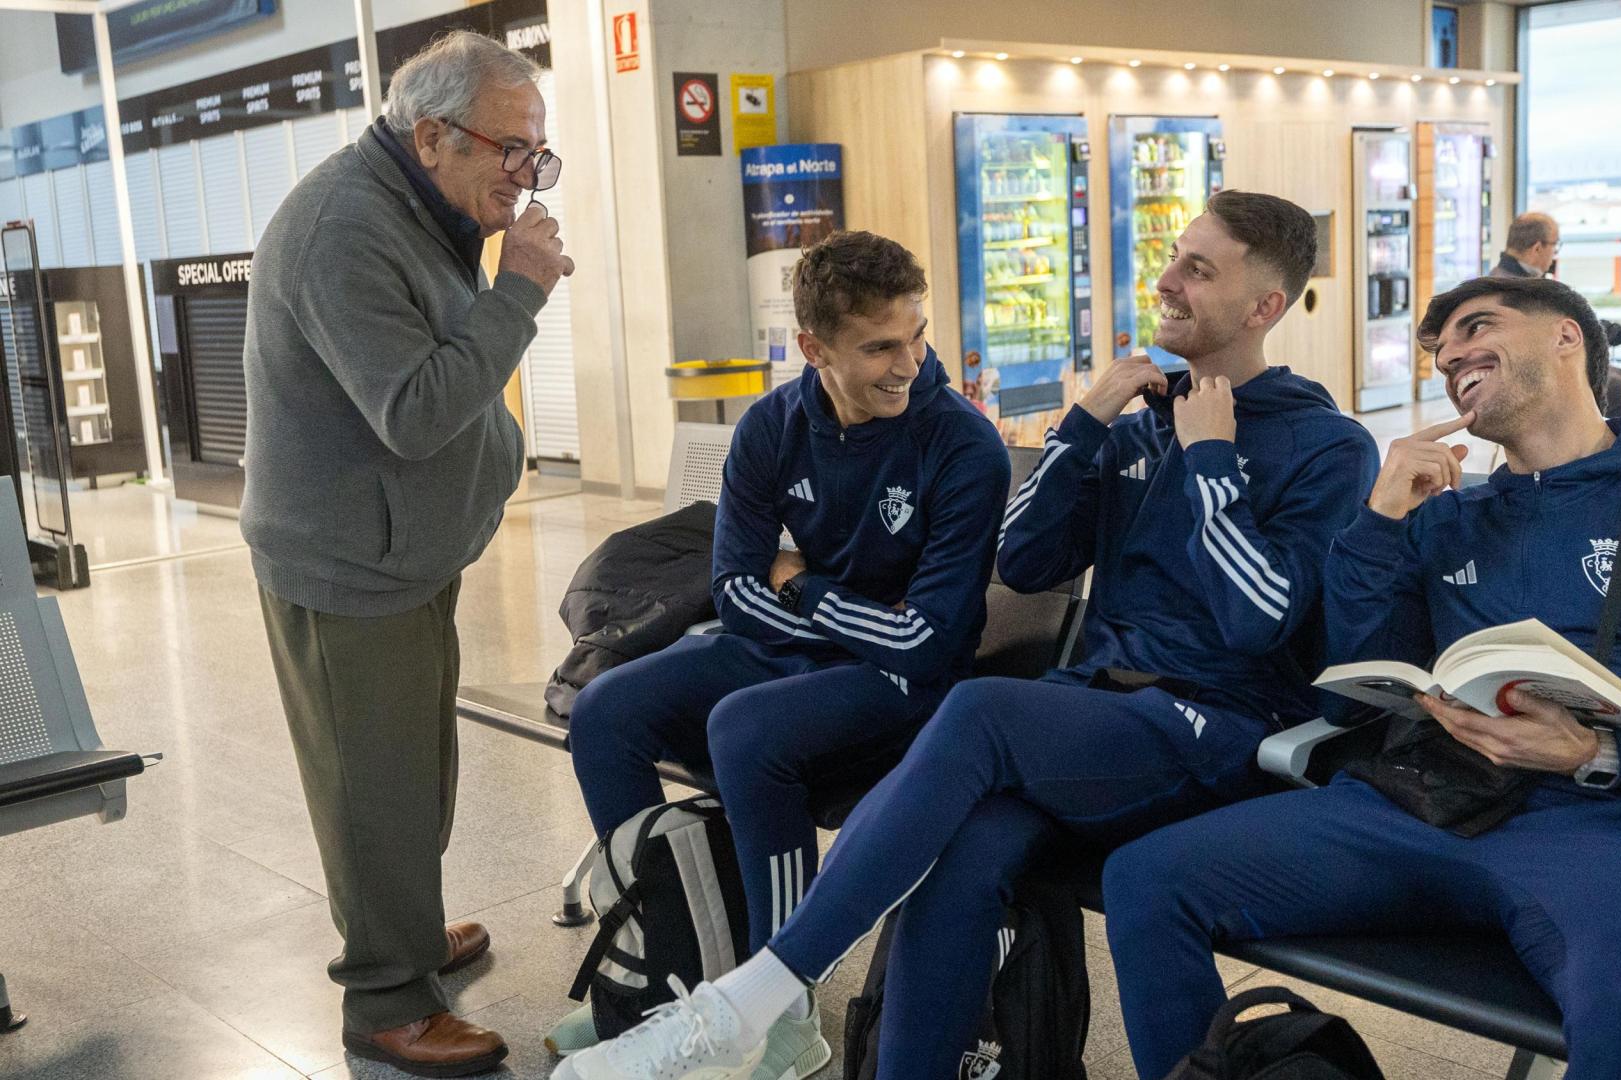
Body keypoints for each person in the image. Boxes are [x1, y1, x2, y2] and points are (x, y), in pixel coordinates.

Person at [553, 190, 1381, 1080]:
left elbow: (1257, 620)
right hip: (1097, 719)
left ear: (1265, 306)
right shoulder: (1143, 424)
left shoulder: (1326, 444)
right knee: (964, 850)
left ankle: (749, 1002)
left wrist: (1213, 459)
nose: (1167, 279)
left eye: (1198, 268)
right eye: (1175, 256)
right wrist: (1085, 425)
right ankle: (794, 1021)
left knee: (981, 712)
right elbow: (1024, 561)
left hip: (1214, 727)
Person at [1100, 275, 1621, 1080]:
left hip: (1608, 832)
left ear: (1566, 338)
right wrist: (1378, 523)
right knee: (1147, 878)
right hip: (1420, 804)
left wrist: (1602, 755)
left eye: (1476, 329)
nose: (1452, 357)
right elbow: (1347, 686)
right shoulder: (1448, 516)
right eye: (1441, 352)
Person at [563, 230, 1009, 1075]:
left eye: (916, 334)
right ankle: (667, 968)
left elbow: (927, 643)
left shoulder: (960, 444)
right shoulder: (773, 424)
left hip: (907, 687)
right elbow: (732, 587)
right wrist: (835, 613)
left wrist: (803, 591)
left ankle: (784, 1012)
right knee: (605, 710)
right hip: (823, 654)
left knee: (747, 728)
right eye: (878, 346)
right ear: (813, 349)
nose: (907, 362)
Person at [241, 31, 571, 1077]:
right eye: (512, 153)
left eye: (538, 155)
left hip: (405, 552)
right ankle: (387, 1002)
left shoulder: (419, 203)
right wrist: (518, 290)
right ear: (431, 136)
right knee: (372, 787)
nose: (525, 179)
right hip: (345, 563)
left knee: (415, 775)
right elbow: (415, 411)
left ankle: (411, 936)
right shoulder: (346, 228)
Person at [1493, 212, 1621, 441]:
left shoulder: (1517, 281)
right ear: (1538, 248)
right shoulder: (1520, 290)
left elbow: (1577, 321)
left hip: (1571, 366)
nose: (1555, 254)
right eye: (1555, 246)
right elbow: (1581, 325)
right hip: (1554, 376)